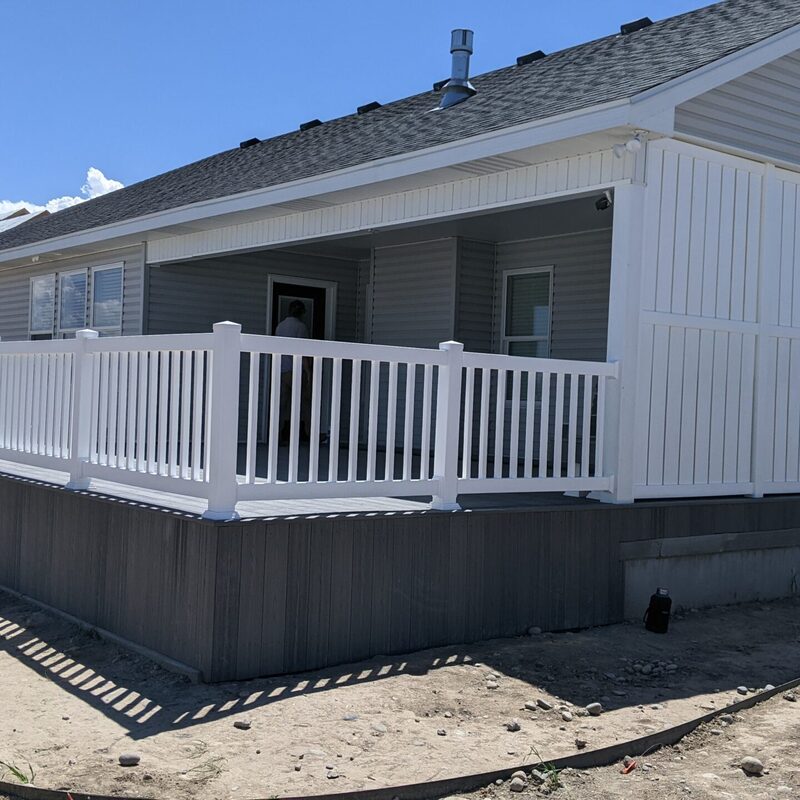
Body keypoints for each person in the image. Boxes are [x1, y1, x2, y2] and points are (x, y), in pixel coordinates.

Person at [275, 300, 312, 444]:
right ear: (301, 312)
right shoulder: (301, 327)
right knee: (305, 403)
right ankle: (308, 434)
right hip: (296, 371)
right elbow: (303, 351)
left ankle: (277, 434)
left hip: (282, 369)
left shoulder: (280, 327)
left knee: (282, 404)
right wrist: (308, 372)